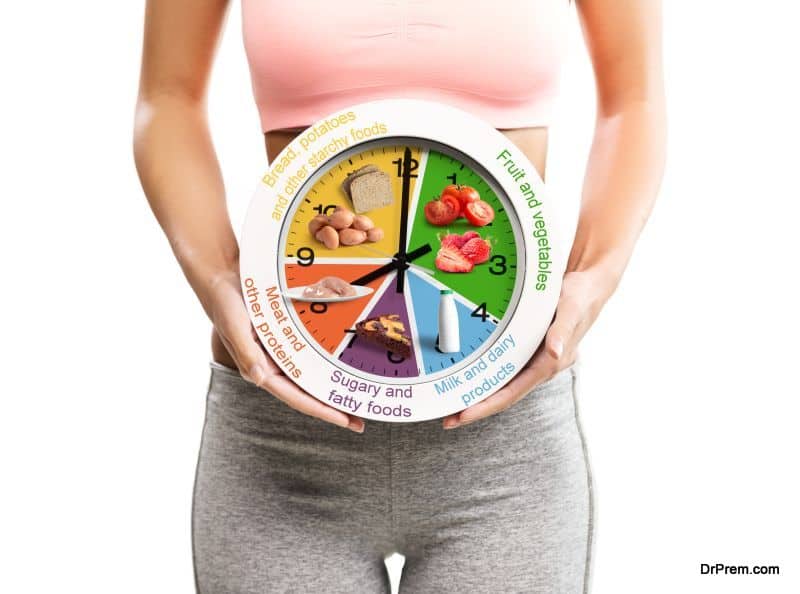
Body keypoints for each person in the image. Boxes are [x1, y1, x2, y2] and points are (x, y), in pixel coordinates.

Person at [133, 1, 665, 592]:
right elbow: (169, 98)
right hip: (282, 431)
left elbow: (633, 101)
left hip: (503, 434)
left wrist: (592, 279)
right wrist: (220, 280)